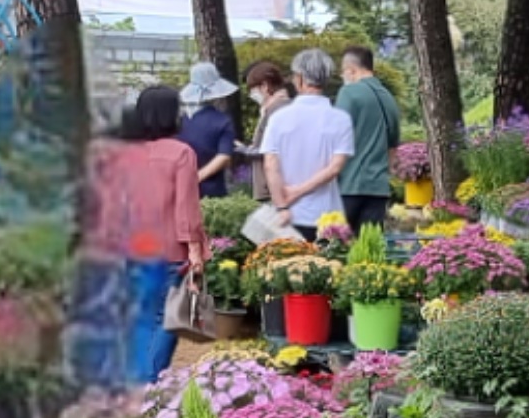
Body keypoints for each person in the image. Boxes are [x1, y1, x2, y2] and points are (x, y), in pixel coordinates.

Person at [84, 83, 205, 387]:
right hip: (169, 250)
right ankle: (149, 383)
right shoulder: (182, 153)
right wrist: (195, 251)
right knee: (166, 318)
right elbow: (186, 208)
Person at [258, 48, 354, 239]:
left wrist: (282, 205)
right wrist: (297, 192)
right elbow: (335, 168)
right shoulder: (340, 119)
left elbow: (270, 165)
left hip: (288, 216)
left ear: (299, 78)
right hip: (328, 216)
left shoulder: (279, 118)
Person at [334, 42, 404, 226]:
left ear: (351, 70)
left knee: (336, 241)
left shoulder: (349, 92)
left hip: (350, 185)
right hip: (378, 189)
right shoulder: (388, 97)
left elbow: (336, 136)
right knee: (370, 242)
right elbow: (393, 148)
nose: (343, 76)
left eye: (343, 72)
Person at [177, 59, 243, 199]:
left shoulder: (179, 120)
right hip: (212, 191)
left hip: (179, 187)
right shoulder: (222, 121)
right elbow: (223, 157)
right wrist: (197, 177)